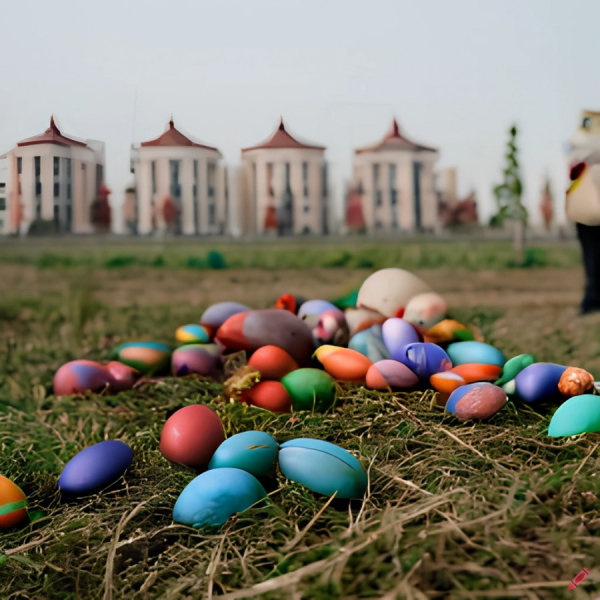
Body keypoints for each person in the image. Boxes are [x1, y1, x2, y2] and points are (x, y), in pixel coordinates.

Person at [566, 110, 600, 314]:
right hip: (588, 210)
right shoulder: (582, 142)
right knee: (592, 255)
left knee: (592, 256)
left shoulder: (579, 142)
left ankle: (592, 298)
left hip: (586, 210)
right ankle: (592, 298)